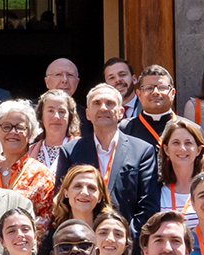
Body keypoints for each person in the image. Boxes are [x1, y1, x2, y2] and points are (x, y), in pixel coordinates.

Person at [55, 84, 159, 238]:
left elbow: (148, 207)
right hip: (82, 243)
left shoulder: (142, 151)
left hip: (126, 244)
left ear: (121, 113)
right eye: (96, 103)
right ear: (88, 114)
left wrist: (123, 239)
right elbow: (62, 200)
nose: (103, 108)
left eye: (110, 103)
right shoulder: (70, 151)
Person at [0, 100, 54, 233]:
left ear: (30, 134)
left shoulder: (41, 175)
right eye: (6, 127)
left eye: (20, 127)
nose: (13, 132)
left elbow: (46, 222)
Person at [38, 164, 115, 255]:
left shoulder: (110, 236)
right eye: (77, 186)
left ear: (100, 197)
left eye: (91, 188)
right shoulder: (51, 238)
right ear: (66, 193)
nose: (84, 192)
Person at [157, 117, 204, 229]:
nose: (182, 149)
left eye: (188, 143)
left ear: (198, 150)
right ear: (166, 149)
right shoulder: (157, 191)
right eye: (176, 143)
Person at [118, 65, 177, 151]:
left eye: (162, 87)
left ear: (173, 93)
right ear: (139, 95)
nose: (155, 92)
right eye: (149, 88)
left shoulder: (189, 129)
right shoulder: (124, 129)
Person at [28, 89, 81, 172]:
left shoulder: (80, 147)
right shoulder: (28, 151)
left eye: (61, 111)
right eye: (50, 111)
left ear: (70, 117)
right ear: (41, 115)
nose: (56, 116)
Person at [44, 58, 89, 136]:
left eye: (70, 75)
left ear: (77, 82)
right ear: (47, 82)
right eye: (58, 75)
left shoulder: (87, 116)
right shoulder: (30, 111)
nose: (64, 80)